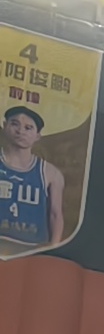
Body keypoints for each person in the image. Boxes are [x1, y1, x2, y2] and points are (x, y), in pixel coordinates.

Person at [0, 100, 66, 253]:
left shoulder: (50, 173)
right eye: (15, 124)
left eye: (28, 128)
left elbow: (55, 214)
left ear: (37, 136)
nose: (20, 131)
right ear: (4, 126)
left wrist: (52, 249)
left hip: (31, 250)